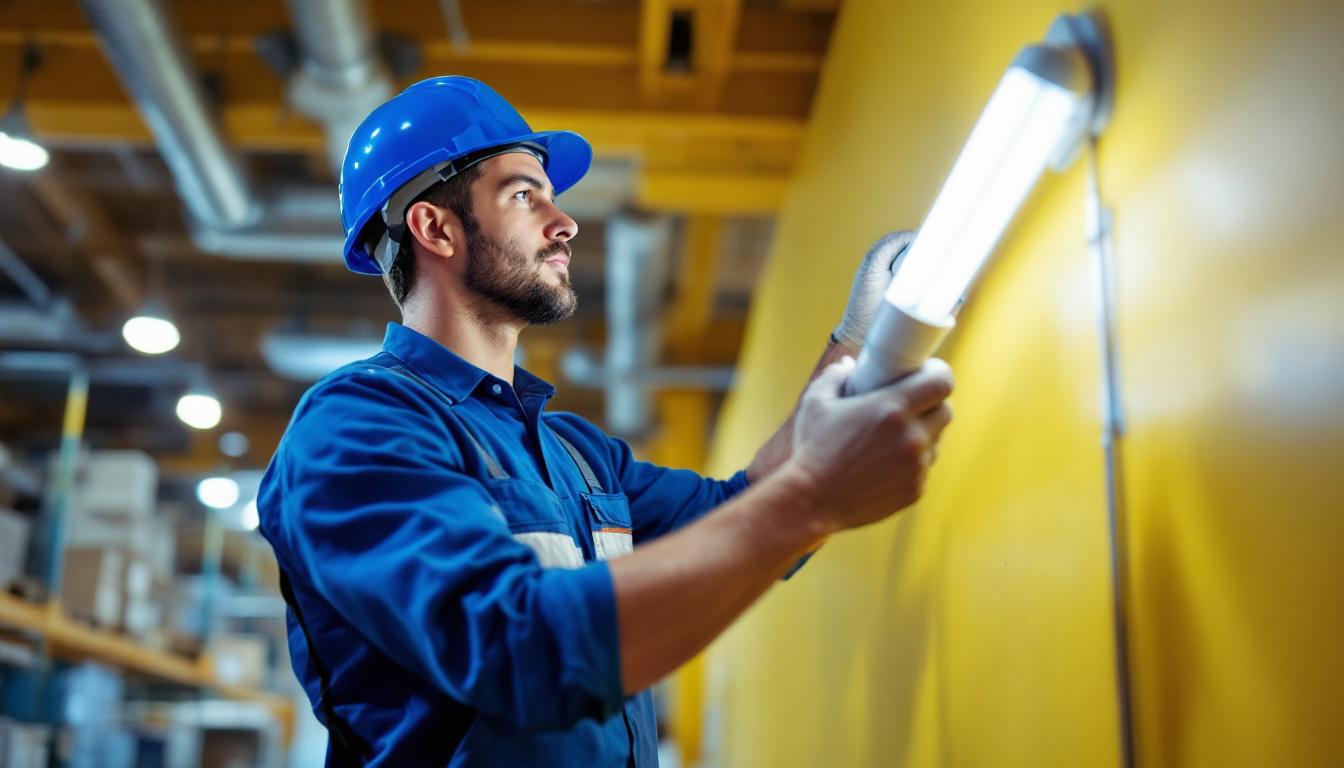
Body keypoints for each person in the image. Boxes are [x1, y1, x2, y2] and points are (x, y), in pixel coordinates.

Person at [256, 76, 954, 767]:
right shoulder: (358, 425)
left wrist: (863, 342)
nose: (565, 225)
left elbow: (744, 510)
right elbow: (522, 651)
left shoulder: (578, 456)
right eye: (524, 195)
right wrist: (817, 498)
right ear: (434, 227)